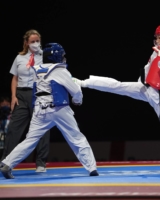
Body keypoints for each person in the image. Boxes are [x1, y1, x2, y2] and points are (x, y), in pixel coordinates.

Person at [73, 24, 160, 173]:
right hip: (145, 88)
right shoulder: (156, 52)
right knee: (118, 86)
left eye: (159, 37)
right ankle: (83, 82)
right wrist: (140, 83)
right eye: (156, 37)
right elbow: (147, 69)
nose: (156, 40)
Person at [0, 43, 99, 179]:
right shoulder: (60, 70)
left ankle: (7, 163)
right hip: (59, 108)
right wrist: (78, 100)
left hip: (40, 110)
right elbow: (75, 90)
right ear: (57, 56)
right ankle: (92, 168)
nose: (64, 57)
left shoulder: (36, 70)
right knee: (76, 137)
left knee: (30, 140)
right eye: (62, 55)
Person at [1, 30, 50, 172]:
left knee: (41, 128)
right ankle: (5, 160)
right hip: (21, 95)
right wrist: (13, 96)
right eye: (32, 41)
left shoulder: (45, 56)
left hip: (39, 93)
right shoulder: (19, 58)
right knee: (13, 128)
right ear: (26, 43)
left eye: (37, 41)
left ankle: (41, 163)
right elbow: (14, 78)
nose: (35, 43)